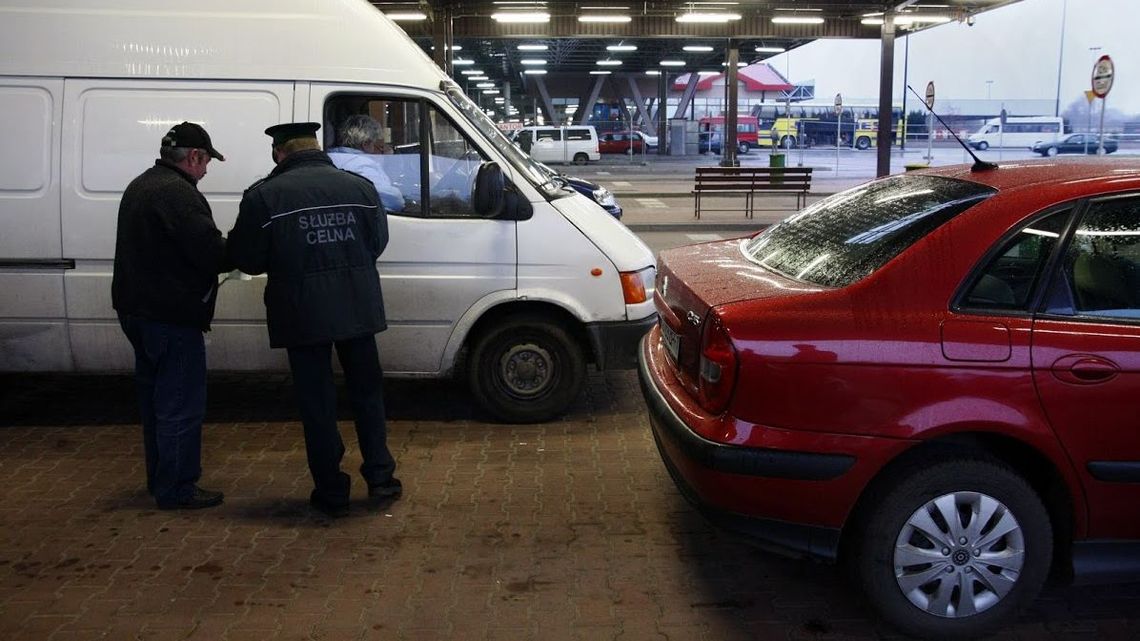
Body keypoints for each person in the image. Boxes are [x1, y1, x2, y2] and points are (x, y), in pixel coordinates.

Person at [226, 122, 401, 518]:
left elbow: (247, 259)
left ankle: (331, 491)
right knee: (368, 395)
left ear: (279, 153)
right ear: (316, 146)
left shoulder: (264, 196)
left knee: (317, 403)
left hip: (302, 313)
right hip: (357, 306)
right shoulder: (360, 188)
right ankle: (381, 477)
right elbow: (377, 243)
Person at [111, 121, 229, 510]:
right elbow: (211, 251)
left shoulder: (142, 184)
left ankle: (160, 478)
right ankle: (177, 487)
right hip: (170, 317)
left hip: (138, 312)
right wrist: (241, 249)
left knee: (155, 403)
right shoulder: (178, 194)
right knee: (179, 404)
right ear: (194, 156)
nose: (207, 170)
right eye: (207, 161)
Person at [326, 114, 405, 213]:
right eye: (377, 145)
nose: (380, 150)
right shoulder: (362, 164)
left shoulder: (330, 156)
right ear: (366, 144)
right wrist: (388, 161)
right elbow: (394, 200)